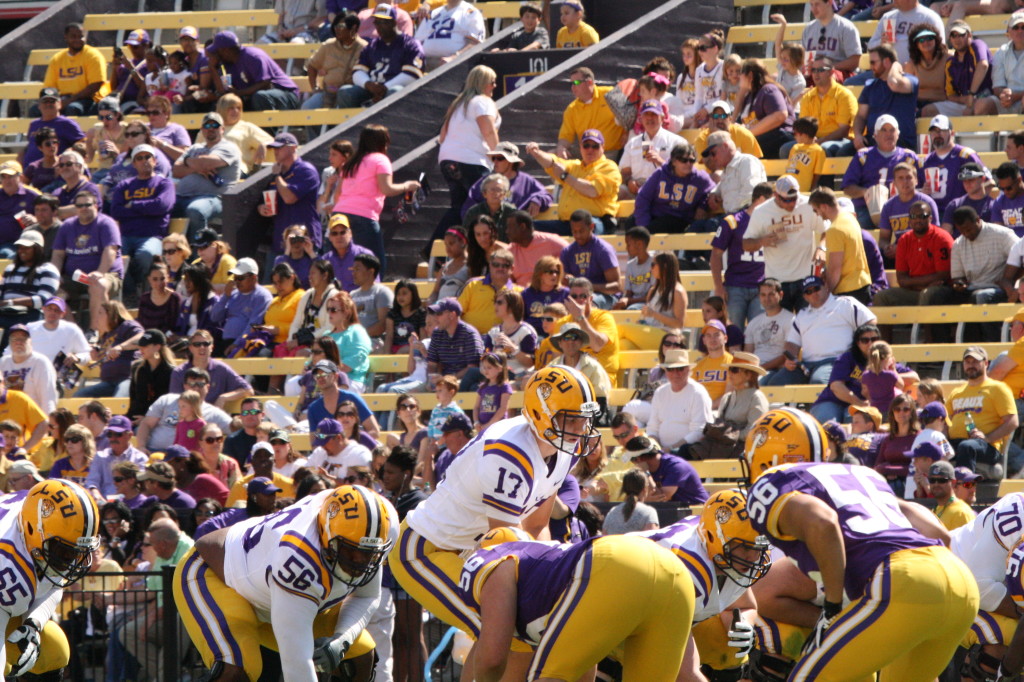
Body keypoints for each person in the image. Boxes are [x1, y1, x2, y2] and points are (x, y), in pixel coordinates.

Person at [390, 366, 601, 669]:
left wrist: (547, 573)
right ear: (540, 414)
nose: (580, 427)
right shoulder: (510, 452)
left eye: (584, 418)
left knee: (518, 624)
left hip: (475, 548)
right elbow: (502, 548)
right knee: (504, 629)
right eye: (571, 418)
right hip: (427, 549)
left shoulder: (561, 444)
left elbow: (537, 525)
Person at [745, 426, 977, 682]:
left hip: (902, 578)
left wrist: (832, 607)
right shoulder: (862, 474)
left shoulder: (775, 484)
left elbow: (824, 522)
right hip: (959, 582)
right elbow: (939, 533)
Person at [0, 479, 101, 678]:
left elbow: (54, 584)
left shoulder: (35, 521)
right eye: (64, 552)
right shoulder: (7, 562)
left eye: (76, 554)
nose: (69, 561)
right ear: (32, 529)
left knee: (53, 648)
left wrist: (33, 624)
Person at [770, 276, 878, 394]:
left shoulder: (846, 303)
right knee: (774, 383)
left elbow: (870, 321)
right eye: (808, 291)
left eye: (816, 288)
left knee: (818, 381)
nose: (813, 293)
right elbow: (792, 343)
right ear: (804, 296)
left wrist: (858, 347)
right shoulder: (802, 315)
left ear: (825, 286)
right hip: (805, 365)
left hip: (836, 361)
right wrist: (790, 358)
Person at [336, 126, 418, 270]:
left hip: (339, 215)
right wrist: (407, 186)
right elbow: (387, 188)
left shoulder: (350, 163)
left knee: (344, 265)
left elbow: (338, 193)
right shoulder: (380, 159)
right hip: (364, 217)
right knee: (374, 266)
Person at [743, 176, 826, 311]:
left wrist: (822, 247)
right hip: (777, 281)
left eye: (794, 199)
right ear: (776, 195)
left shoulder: (808, 205)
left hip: (804, 278)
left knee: (806, 326)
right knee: (780, 329)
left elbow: (827, 230)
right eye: (787, 200)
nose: (792, 204)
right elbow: (746, 244)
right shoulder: (761, 211)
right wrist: (762, 241)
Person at [109, 144, 176, 297]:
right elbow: (116, 211)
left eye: (148, 157)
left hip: (153, 236)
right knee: (112, 255)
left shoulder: (164, 183)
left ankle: (143, 290)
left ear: (155, 161)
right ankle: (129, 292)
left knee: (145, 255)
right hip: (125, 236)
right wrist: (147, 209)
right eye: (139, 158)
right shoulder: (124, 185)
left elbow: (162, 206)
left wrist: (133, 205)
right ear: (134, 164)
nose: (144, 160)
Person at [529, 130, 621, 237]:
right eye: (586, 145)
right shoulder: (574, 166)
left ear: (603, 147)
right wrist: (536, 153)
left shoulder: (609, 167)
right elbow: (552, 163)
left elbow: (592, 191)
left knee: (584, 225)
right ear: (581, 148)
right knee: (525, 227)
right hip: (567, 223)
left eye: (595, 146)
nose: (590, 149)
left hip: (595, 221)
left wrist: (565, 176)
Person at [946, 345, 1019, 478]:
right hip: (958, 442)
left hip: (987, 446)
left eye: (975, 361)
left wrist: (988, 438)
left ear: (986, 363)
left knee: (966, 446)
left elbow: (1012, 422)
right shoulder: (956, 392)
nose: (970, 365)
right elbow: (945, 421)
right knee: (930, 445)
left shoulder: (997, 388)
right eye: (967, 362)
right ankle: (927, 494)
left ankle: (967, 489)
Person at [842, 114, 920, 231]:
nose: (888, 134)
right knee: (858, 229)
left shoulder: (909, 157)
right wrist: (869, 193)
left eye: (892, 130)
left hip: (902, 206)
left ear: (898, 134)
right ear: (875, 135)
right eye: (883, 130)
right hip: (866, 208)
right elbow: (847, 187)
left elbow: (921, 186)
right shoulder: (863, 156)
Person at [338, 4, 425, 108]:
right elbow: (358, 71)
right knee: (345, 92)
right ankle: (352, 124)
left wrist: (385, 87)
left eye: (383, 22)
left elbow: (412, 75)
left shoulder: (410, 44)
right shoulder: (372, 46)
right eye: (377, 22)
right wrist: (368, 84)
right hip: (372, 89)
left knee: (395, 92)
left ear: (394, 22)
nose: (379, 26)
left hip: (394, 91)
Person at [136, 368, 233, 454]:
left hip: (189, 458)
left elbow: (235, 430)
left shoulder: (213, 413)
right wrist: (141, 447)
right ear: (185, 386)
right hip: (154, 451)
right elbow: (146, 424)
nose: (196, 388)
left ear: (207, 387)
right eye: (191, 384)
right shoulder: (167, 400)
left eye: (200, 384)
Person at [206, 30, 299, 112]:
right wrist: (213, 68)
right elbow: (223, 91)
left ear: (225, 50)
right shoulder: (227, 63)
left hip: (285, 94)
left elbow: (265, 84)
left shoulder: (252, 56)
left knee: (259, 97)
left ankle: (269, 132)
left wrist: (239, 93)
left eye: (217, 51)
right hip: (256, 97)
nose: (215, 54)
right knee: (224, 103)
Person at [634, 142, 716, 234]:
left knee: (664, 223)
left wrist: (703, 206)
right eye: (683, 160)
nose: (688, 163)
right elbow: (643, 198)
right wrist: (643, 227)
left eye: (691, 160)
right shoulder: (660, 174)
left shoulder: (700, 178)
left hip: (680, 220)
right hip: (656, 216)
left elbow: (712, 191)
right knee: (631, 223)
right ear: (673, 161)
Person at [551, 277, 620, 385]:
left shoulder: (604, 317)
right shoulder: (562, 323)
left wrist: (580, 318)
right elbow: (557, 358)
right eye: (574, 296)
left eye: (583, 296)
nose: (579, 300)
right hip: (570, 380)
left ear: (591, 299)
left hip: (601, 379)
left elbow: (597, 345)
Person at [809, 187, 872, 303]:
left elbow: (835, 269)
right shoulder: (850, 218)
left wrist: (826, 294)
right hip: (862, 284)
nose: (817, 215)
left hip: (847, 291)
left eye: (815, 210)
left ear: (823, 207)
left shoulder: (834, 230)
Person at [852, 46, 920, 152]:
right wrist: (858, 135)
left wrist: (895, 66)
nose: (871, 66)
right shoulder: (870, 86)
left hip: (900, 144)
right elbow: (861, 116)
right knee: (842, 152)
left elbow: (893, 83)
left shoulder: (910, 80)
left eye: (873, 62)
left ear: (887, 62)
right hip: (873, 143)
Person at [645, 349, 712, 456]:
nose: (675, 373)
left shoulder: (698, 393)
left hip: (688, 451)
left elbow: (699, 431)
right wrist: (657, 448)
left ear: (688, 369)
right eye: (670, 369)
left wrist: (671, 448)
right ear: (665, 371)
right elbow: (652, 428)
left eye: (680, 369)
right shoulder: (660, 392)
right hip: (661, 450)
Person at [0, 231, 60, 348]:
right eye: (20, 247)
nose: (22, 251)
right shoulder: (10, 269)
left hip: (30, 314)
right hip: (5, 311)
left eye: (27, 248)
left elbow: (43, 300)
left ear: (37, 249)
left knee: (14, 330)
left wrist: (11, 302)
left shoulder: (47, 269)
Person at [465, 143, 552, 220]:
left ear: (511, 162)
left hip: (516, 232)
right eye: (493, 158)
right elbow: (468, 208)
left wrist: (537, 200)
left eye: (499, 158)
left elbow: (546, 196)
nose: (495, 162)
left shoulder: (527, 181)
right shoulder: (485, 181)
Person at [38, 23, 109, 116]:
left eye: (81, 36)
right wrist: (53, 102)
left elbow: (95, 85)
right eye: (73, 36)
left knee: (72, 108)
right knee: (36, 110)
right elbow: (49, 87)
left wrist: (69, 100)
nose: (78, 40)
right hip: (62, 99)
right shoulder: (57, 58)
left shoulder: (93, 55)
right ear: (66, 37)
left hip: (87, 100)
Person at [555, 67, 626, 159]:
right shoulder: (571, 109)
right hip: (586, 153)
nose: (573, 87)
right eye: (571, 84)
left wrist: (627, 133)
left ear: (589, 82)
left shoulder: (610, 93)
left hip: (611, 152)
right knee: (552, 155)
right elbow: (566, 136)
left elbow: (630, 114)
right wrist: (561, 148)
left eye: (576, 83)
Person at [877, 163, 941, 262]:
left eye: (909, 177)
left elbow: (934, 235)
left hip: (923, 250)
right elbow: (883, 238)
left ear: (916, 181)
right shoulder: (888, 206)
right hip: (899, 253)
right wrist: (887, 248)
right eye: (900, 178)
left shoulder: (927, 202)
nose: (905, 182)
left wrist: (903, 248)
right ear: (894, 183)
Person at [209, 258, 274, 355]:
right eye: (235, 278)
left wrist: (236, 344)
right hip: (225, 342)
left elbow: (253, 325)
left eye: (240, 278)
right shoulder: (233, 294)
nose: (237, 282)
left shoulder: (262, 296)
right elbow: (214, 317)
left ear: (253, 277)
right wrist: (225, 296)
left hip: (246, 344)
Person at [303, 13, 366, 111]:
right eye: (335, 25)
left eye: (341, 26)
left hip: (349, 96)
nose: (336, 29)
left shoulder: (364, 48)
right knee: (308, 108)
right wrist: (315, 88)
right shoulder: (328, 45)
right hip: (327, 93)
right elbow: (312, 66)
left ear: (353, 28)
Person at [559, 210, 620, 309]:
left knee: (586, 303)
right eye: (574, 231)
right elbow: (562, 280)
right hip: (576, 296)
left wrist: (586, 287)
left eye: (581, 231)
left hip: (604, 296)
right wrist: (566, 279)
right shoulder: (567, 251)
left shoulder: (603, 249)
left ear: (591, 227)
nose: (578, 235)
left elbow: (616, 287)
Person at [736, 58, 795, 159]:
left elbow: (780, 115)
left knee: (744, 150)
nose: (737, 76)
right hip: (764, 139)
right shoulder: (749, 96)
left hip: (781, 135)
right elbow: (738, 122)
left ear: (750, 75)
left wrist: (749, 133)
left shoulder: (768, 89)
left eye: (740, 72)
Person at [703, 132, 768, 219]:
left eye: (713, 153)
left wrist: (732, 212)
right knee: (697, 226)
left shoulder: (747, 162)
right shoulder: (727, 169)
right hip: (733, 218)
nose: (712, 158)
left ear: (725, 146)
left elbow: (751, 193)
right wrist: (714, 193)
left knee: (709, 226)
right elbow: (720, 187)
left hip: (747, 216)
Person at [744, 278, 796, 383]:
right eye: (763, 295)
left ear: (780, 295)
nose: (767, 298)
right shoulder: (753, 322)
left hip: (776, 369)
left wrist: (761, 368)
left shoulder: (790, 320)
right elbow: (747, 354)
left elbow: (786, 356)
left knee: (755, 383)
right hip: (755, 368)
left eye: (771, 294)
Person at [974, 10, 1024, 116]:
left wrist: (1015, 97)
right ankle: (993, 132)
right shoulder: (1001, 52)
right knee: (981, 105)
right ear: (1009, 31)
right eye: (1016, 27)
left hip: (1020, 99)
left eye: (1023, 27)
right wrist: (1004, 96)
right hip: (1006, 101)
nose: (1020, 31)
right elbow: (997, 86)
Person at [20, 87, 85, 167]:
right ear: (39, 105)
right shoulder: (34, 124)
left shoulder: (67, 123)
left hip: (55, 171)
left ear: (59, 104)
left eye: (52, 101)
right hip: (30, 171)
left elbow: (82, 143)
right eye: (45, 101)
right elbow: (31, 145)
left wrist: (67, 153)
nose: (48, 104)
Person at [321, 290, 373, 391]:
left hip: (351, 379)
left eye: (334, 310)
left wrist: (330, 370)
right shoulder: (326, 335)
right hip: (326, 378)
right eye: (328, 309)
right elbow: (315, 356)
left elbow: (359, 356)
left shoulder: (357, 331)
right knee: (293, 385)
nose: (329, 313)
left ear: (346, 312)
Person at [506, 211, 567, 288]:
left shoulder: (551, 242)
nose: (507, 231)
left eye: (510, 227)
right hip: (521, 296)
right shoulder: (510, 250)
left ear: (522, 227)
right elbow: (507, 281)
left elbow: (572, 256)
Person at [800, 0, 863, 74]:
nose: (813, 9)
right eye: (811, 5)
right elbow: (803, 60)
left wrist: (829, 67)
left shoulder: (846, 27)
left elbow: (855, 61)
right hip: (814, 74)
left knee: (826, 76)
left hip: (838, 74)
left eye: (817, 4)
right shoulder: (808, 29)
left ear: (829, 2)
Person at [323, 214, 377, 292]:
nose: (339, 236)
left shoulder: (365, 256)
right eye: (334, 233)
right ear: (330, 237)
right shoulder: (326, 260)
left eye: (343, 232)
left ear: (350, 233)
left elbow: (375, 286)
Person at [349, 253, 392, 348]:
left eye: (357, 269)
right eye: (353, 269)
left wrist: (359, 336)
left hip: (374, 341)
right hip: (353, 341)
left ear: (371, 271)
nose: (353, 273)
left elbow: (383, 325)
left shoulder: (382, 292)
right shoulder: (352, 294)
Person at [601, 469, 658, 534]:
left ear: (624, 489)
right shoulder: (649, 513)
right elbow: (652, 540)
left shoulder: (611, 513)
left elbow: (604, 539)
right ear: (645, 489)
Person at [928, 459, 976, 531]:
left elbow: (967, 542)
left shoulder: (961, 512)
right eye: (932, 480)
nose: (936, 484)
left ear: (953, 482)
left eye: (942, 480)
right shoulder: (936, 509)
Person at [992, 161, 1024, 234]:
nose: (1005, 192)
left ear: (1019, 180)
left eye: (1009, 188)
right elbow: (999, 233)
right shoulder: (999, 202)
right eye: (1002, 188)